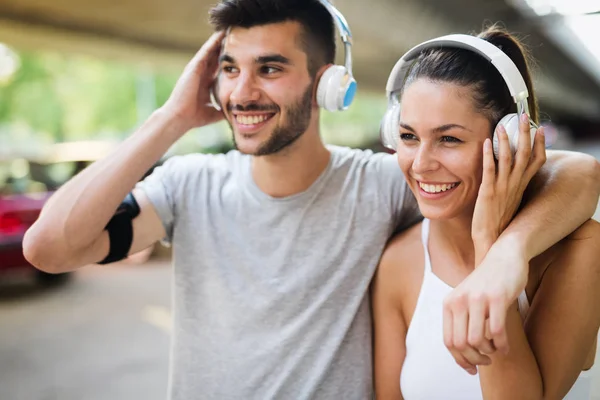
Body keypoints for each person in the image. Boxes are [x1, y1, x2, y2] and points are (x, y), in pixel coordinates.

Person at [22, 1, 599, 399]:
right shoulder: (186, 184)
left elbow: (577, 174)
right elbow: (49, 248)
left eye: (269, 68)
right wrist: (170, 117)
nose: (243, 91)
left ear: (329, 82)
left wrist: (503, 256)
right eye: (230, 69)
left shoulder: (378, 184)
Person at [372, 27, 600, 400]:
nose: (421, 165)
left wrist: (490, 248)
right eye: (409, 137)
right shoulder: (398, 262)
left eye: (449, 139)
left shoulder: (579, 249)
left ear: (506, 142)